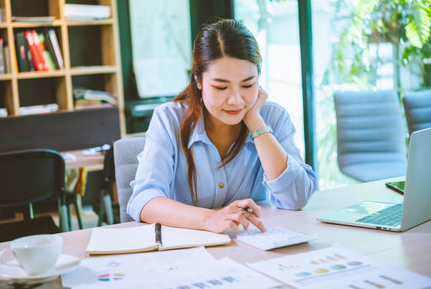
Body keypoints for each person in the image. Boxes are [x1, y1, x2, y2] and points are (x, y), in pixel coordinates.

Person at [127, 19, 318, 233]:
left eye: (247, 85)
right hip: (188, 250)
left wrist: (255, 121)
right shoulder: (168, 119)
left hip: (252, 246)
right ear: (198, 81)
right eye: (221, 87)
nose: (236, 100)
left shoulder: (272, 116)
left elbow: (296, 198)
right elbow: (144, 200)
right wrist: (210, 219)